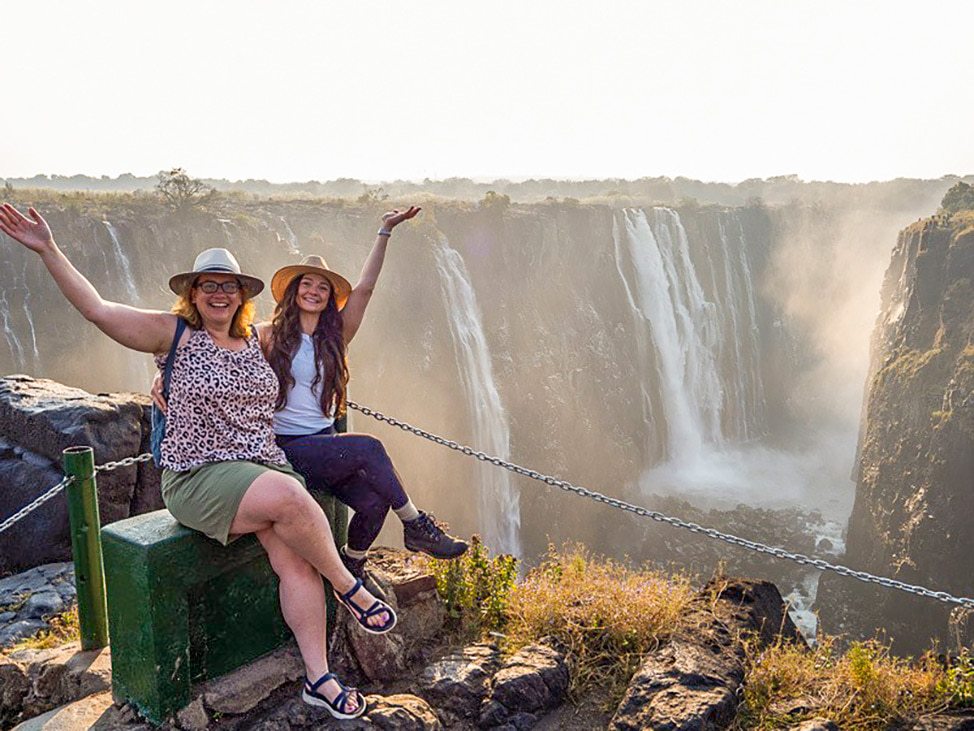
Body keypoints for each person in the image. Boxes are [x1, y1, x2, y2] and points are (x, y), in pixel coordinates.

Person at [0, 203, 385, 720]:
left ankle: (318, 678)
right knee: (293, 497)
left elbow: (328, 324)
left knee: (295, 561)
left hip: (261, 467)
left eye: (229, 285)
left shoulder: (259, 338)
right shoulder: (173, 335)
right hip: (198, 476)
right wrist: (49, 249)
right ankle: (349, 587)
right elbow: (97, 309)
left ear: (242, 295)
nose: (220, 293)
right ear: (193, 293)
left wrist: (381, 238)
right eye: (209, 285)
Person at [260, 208, 468, 585]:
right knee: (369, 448)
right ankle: (416, 525)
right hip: (286, 448)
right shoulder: (268, 335)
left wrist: (385, 230)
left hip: (324, 446)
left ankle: (353, 563)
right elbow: (218, 345)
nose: (314, 291)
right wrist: (166, 373)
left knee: (375, 502)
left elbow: (365, 289)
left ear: (329, 298)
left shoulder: (335, 337)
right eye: (307, 284)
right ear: (294, 291)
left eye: (322, 288)